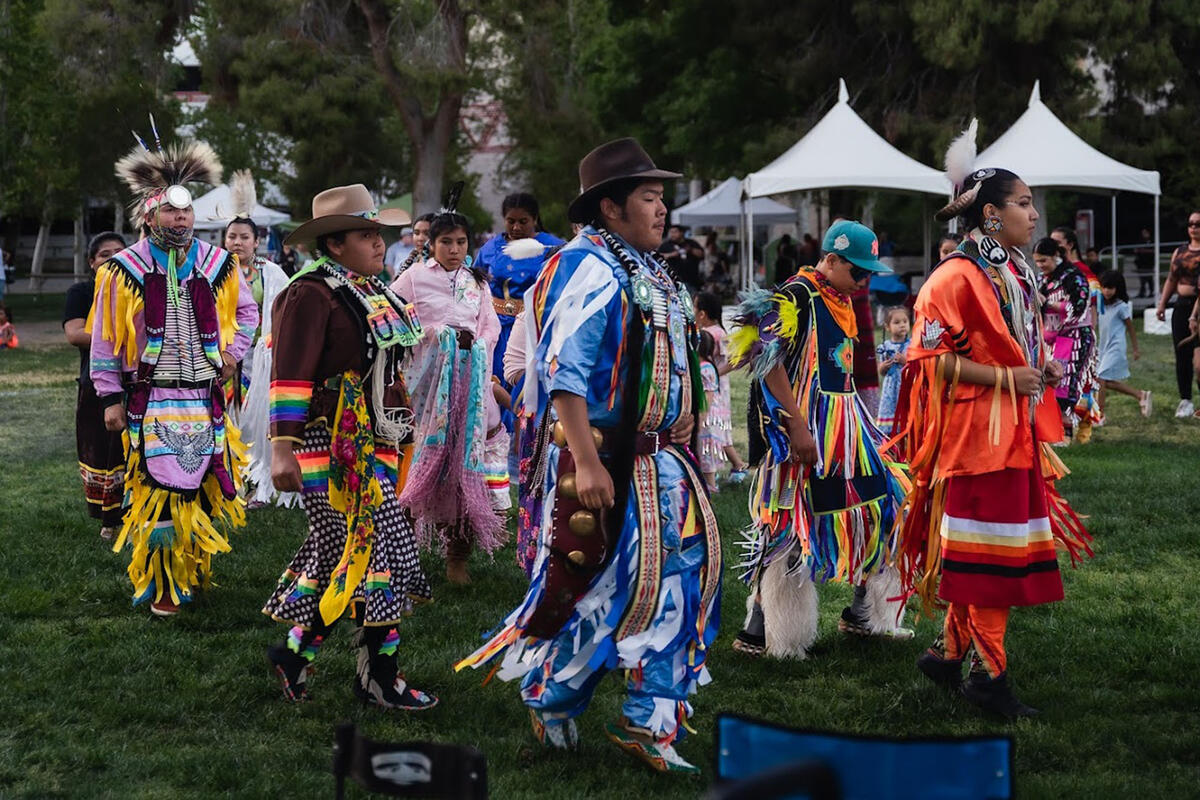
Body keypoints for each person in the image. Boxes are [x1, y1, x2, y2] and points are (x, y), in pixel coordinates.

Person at [456, 138, 720, 774]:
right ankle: (553, 696)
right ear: (610, 207)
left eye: (663, 197)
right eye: (650, 197)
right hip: (611, 459)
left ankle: (648, 722)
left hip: (664, 460)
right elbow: (565, 372)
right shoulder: (590, 267)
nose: (663, 209)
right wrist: (588, 459)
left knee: (673, 588)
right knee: (599, 590)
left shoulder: (643, 268)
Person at [897, 122, 1091, 718]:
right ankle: (988, 676)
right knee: (992, 560)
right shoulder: (954, 279)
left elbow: (1003, 348)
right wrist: (1010, 379)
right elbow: (928, 360)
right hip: (977, 441)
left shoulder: (1009, 272)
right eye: (1023, 203)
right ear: (989, 214)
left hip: (1012, 434)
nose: (1034, 215)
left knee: (985, 552)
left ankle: (950, 655)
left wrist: (1036, 371)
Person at [262, 184, 435, 709]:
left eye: (379, 234)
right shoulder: (310, 293)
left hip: (374, 441)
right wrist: (281, 449)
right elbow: (289, 376)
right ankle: (379, 678)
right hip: (323, 442)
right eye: (366, 235)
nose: (380, 244)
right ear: (334, 244)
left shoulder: (367, 289)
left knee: (347, 551)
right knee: (372, 546)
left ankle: (296, 656)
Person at [91, 136, 258, 617]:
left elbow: (247, 315)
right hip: (151, 396)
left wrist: (231, 354)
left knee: (203, 485)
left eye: (186, 213)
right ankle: (164, 585)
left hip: (206, 394)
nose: (181, 220)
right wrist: (110, 399)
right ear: (149, 214)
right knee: (159, 494)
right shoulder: (122, 271)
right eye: (170, 212)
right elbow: (104, 340)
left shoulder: (218, 264)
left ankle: (194, 570)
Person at [729, 220, 910, 660]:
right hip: (806, 429)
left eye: (868, 273)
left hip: (848, 426)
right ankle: (766, 632)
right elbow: (764, 359)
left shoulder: (838, 297)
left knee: (888, 502)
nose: (863, 281)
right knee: (789, 525)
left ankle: (865, 613)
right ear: (830, 260)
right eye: (858, 272)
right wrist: (797, 426)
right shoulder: (797, 296)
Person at [391, 206, 509, 585]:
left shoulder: (478, 282)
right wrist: (435, 333)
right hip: (424, 391)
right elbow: (394, 320)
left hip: (470, 390)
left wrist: (476, 345)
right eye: (446, 242)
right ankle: (402, 554)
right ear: (430, 243)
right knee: (414, 468)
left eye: (461, 242)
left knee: (464, 475)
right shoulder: (412, 279)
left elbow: (489, 327)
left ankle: (457, 558)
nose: (454, 249)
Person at [222, 170, 294, 508]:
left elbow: (285, 312)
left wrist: (271, 345)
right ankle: (229, 482)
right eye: (232, 236)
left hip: (261, 358)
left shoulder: (272, 272)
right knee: (227, 418)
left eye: (244, 237)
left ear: (256, 241)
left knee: (259, 420)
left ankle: (261, 484)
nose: (237, 242)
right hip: (223, 358)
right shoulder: (215, 271)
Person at [475, 192, 564, 428]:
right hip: (495, 326)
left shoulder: (552, 247)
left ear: (534, 219)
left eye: (523, 221)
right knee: (491, 381)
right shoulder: (490, 248)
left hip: (532, 329)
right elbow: (476, 283)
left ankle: (525, 434)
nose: (516, 227)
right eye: (510, 221)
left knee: (524, 383)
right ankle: (493, 435)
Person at [64, 232, 128, 539]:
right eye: (105, 254)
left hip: (136, 383)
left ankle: (137, 515)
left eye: (119, 251)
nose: (113, 258)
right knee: (102, 449)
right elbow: (75, 334)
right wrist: (119, 337)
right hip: (95, 384)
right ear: (92, 262)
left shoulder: (137, 289)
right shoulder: (82, 292)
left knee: (133, 451)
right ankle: (109, 520)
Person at [1034, 237, 1096, 442]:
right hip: (1052, 338)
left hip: (1075, 336)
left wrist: (1049, 304)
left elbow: (1079, 306)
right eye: (1037, 262)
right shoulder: (1044, 279)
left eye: (1043, 261)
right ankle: (1057, 430)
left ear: (1056, 256)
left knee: (1066, 382)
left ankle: (1066, 431)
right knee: (1051, 381)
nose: (1040, 266)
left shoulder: (1074, 276)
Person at [693, 291, 747, 481]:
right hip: (714, 386)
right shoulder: (716, 331)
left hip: (713, 390)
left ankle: (720, 471)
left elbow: (734, 360)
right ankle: (733, 466)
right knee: (718, 431)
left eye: (694, 307)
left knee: (712, 428)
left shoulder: (712, 334)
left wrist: (711, 372)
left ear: (702, 313)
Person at [1155, 210, 1200, 417]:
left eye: (1198, 224)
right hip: (1181, 306)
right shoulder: (1180, 251)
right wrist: (1162, 304)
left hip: (1198, 307)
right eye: (1191, 224)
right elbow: (1172, 279)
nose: (1193, 227)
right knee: (1182, 353)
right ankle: (1186, 400)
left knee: (1198, 361)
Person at [1096, 270, 1151, 417]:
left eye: (1111, 288)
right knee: (1102, 380)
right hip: (1103, 347)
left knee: (1100, 377)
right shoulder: (1100, 305)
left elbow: (1131, 328)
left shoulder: (1121, 307)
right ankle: (1140, 395)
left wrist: (1135, 349)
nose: (1107, 291)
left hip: (1116, 347)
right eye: (1104, 287)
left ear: (1118, 288)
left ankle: (1100, 414)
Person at [875, 306, 911, 437]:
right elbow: (881, 372)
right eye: (897, 322)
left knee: (908, 416)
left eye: (905, 321)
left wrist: (905, 361)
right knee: (891, 418)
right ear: (887, 327)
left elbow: (917, 366)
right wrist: (884, 366)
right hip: (891, 390)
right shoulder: (885, 347)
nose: (902, 325)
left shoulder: (912, 345)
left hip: (907, 386)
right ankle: (891, 444)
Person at [696, 330, 724, 492]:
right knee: (702, 451)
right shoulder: (703, 366)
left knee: (706, 452)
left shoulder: (705, 369)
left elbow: (708, 396)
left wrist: (701, 418)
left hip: (707, 418)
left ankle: (711, 486)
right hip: (704, 417)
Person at [657, 223, 704, 289]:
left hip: (692, 280)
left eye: (675, 232)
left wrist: (690, 250)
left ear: (682, 233)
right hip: (673, 280)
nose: (672, 235)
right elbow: (658, 257)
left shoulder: (691, 243)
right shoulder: (666, 245)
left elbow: (701, 254)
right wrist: (673, 254)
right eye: (671, 232)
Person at [1132, 229, 1155, 299]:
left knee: (1149, 278)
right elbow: (1136, 249)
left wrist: (1143, 250)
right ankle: (1142, 292)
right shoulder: (1140, 241)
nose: (1144, 234)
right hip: (1141, 262)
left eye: (1146, 233)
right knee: (1142, 278)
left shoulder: (1152, 241)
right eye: (1143, 233)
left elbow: (1153, 250)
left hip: (1148, 262)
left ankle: (1151, 292)